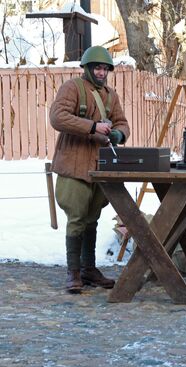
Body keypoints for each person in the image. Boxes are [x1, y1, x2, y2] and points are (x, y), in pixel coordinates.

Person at [50, 45, 130, 294]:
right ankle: (73, 272)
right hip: (74, 164)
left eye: (105, 68)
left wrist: (118, 134)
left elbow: (123, 123)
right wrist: (92, 126)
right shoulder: (72, 88)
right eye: (97, 67)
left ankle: (88, 269)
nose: (101, 72)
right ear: (86, 68)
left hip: (99, 165)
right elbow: (58, 117)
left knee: (92, 220)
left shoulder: (110, 95)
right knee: (76, 219)